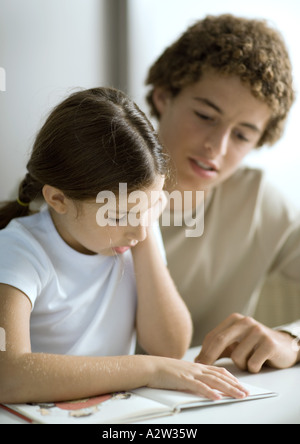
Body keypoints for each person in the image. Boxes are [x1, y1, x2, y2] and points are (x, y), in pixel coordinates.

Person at [0, 87, 249, 404]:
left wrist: (143, 236)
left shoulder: (133, 232)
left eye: (151, 207)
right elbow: (7, 374)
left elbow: (169, 347)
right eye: (118, 216)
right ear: (58, 199)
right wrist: (145, 368)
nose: (139, 230)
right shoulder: (18, 250)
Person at [145, 14, 300, 373]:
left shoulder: (258, 202)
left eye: (243, 135)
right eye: (205, 115)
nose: (216, 146)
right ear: (164, 96)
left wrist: (290, 341)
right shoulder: (80, 184)